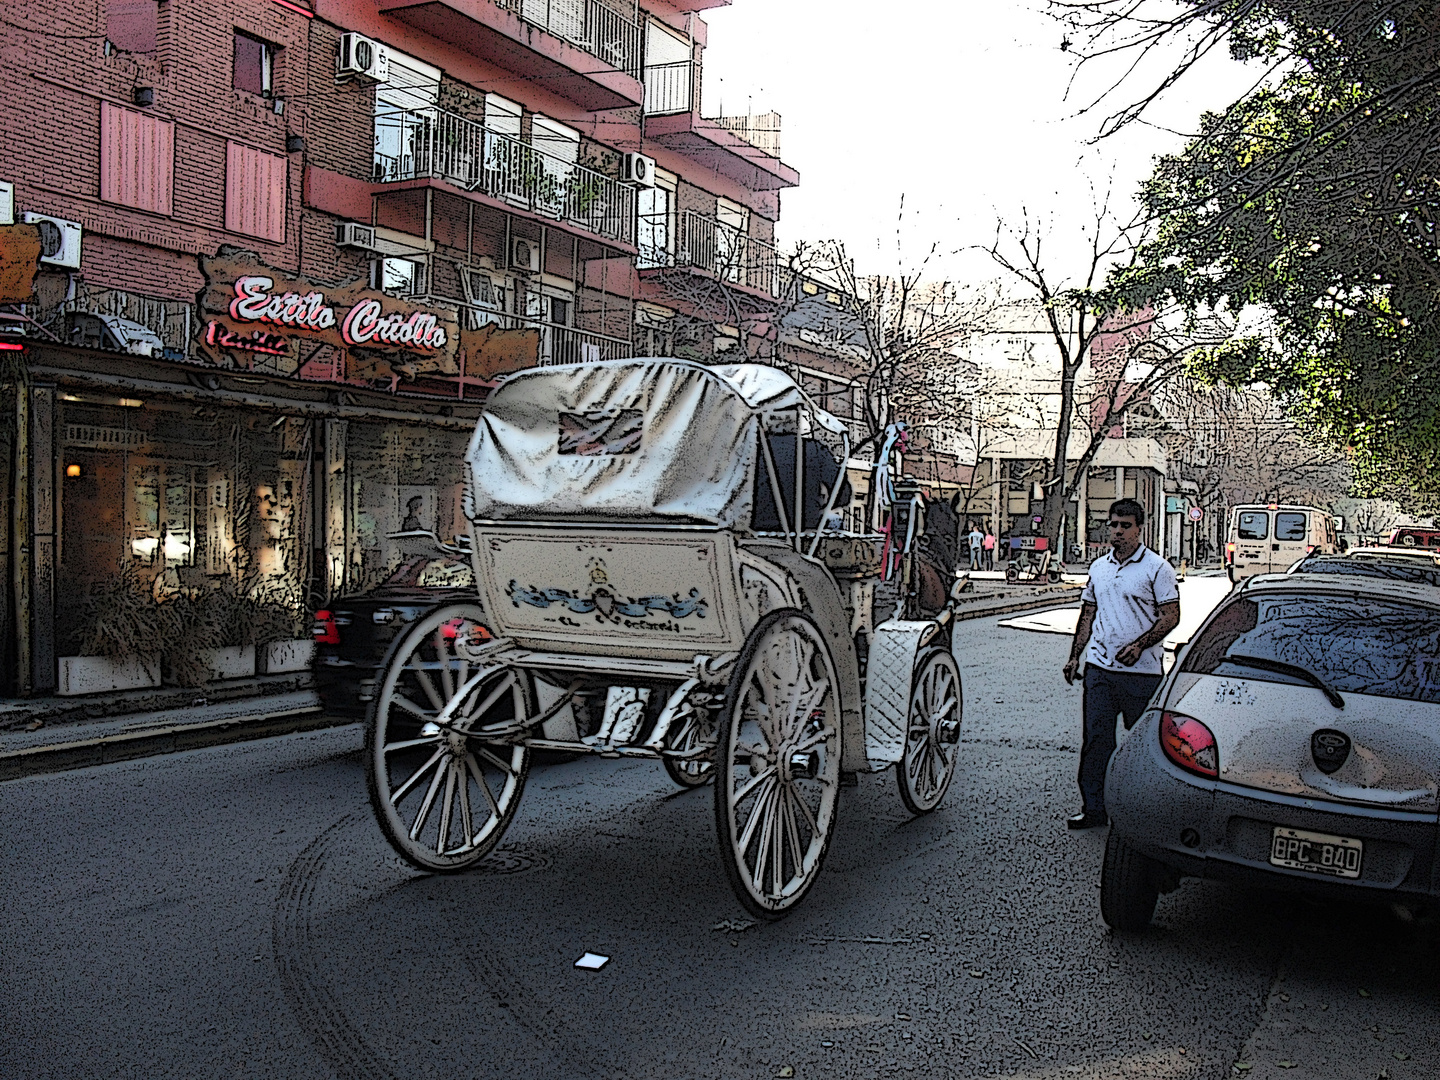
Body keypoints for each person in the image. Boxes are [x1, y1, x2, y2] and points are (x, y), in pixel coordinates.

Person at [1062, 498, 1180, 829]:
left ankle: (1144, 811)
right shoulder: (1099, 568)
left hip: (1141, 674)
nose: (1118, 532)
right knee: (1097, 739)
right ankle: (1094, 808)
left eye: (1125, 526)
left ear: (1140, 529)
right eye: (1113, 525)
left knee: (1144, 745)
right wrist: (1075, 656)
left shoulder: (1157, 569)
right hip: (1100, 669)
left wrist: (1141, 645)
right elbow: (1088, 613)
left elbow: (1171, 616)